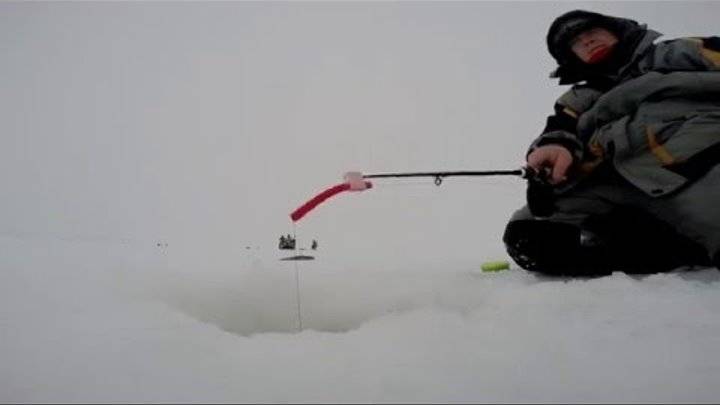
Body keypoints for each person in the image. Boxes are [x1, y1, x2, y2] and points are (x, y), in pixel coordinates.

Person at [503, 10, 720, 277]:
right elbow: (559, 132)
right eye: (576, 42)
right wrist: (550, 157)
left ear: (617, 31)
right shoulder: (577, 99)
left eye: (592, 32)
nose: (587, 41)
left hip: (701, 162)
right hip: (616, 180)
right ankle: (668, 250)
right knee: (530, 234)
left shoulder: (678, 52)